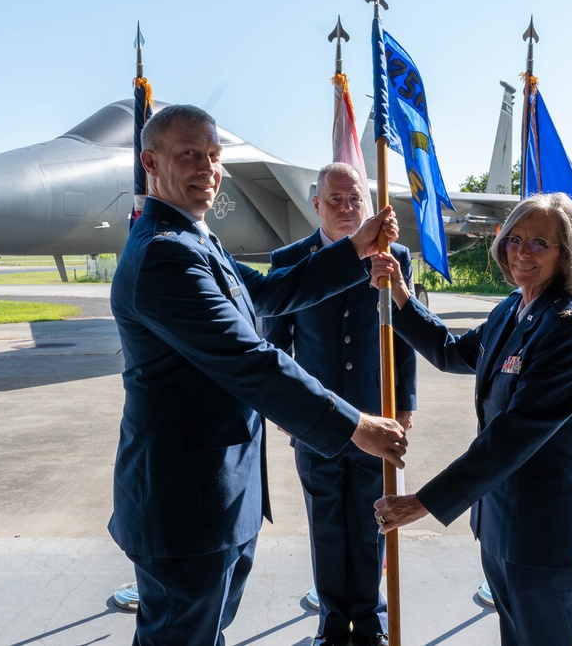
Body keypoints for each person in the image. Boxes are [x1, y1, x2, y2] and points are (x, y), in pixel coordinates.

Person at [109, 104, 408, 646]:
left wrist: (356, 249)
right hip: (184, 503)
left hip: (217, 495)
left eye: (214, 156)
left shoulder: (197, 239)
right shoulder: (164, 255)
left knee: (204, 632)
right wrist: (354, 425)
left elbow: (270, 292)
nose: (208, 168)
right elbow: (249, 359)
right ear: (150, 161)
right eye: (189, 155)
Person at [371, 192, 572, 646]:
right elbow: (451, 352)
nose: (522, 252)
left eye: (540, 244)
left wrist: (423, 502)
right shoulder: (511, 311)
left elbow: (511, 439)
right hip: (500, 525)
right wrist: (400, 294)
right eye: (515, 239)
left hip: (544, 535)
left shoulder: (568, 332)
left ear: (567, 253)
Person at [264, 163, 417, 646]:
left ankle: (370, 620)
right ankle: (333, 622)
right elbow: (275, 344)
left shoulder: (392, 256)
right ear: (316, 204)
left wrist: (405, 401)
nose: (348, 209)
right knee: (326, 522)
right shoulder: (289, 259)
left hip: (377, 414)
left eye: (356, 200)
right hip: (317, 421)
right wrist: (290, 411)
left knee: (373, 518)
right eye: (336, 200)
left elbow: (406, 335)